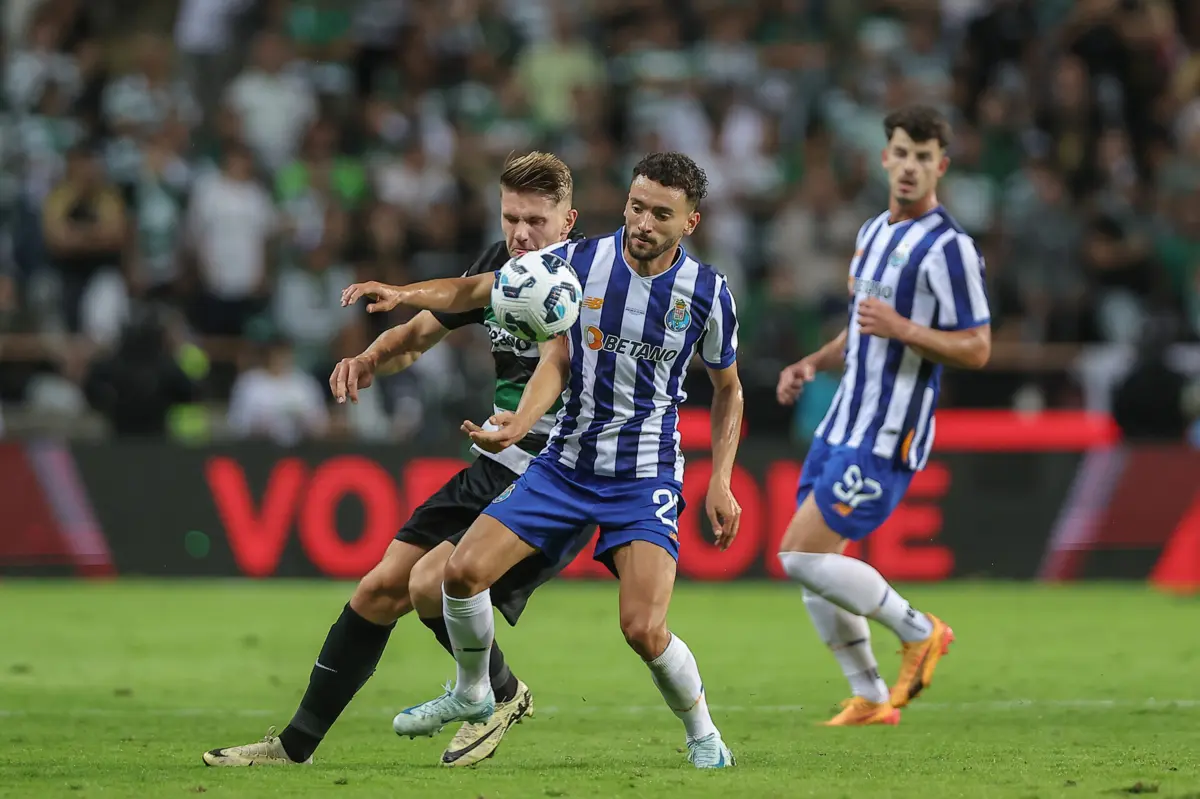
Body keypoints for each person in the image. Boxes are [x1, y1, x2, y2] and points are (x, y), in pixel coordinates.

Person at [203, 152, 592, 768]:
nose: (520, 234)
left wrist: (523, 422)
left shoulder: (590, 279)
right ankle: (294, 748)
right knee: (380, 589)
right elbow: (417, 336)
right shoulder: (499, 266)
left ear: (567, 220)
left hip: (557, 471)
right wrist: (369, 359)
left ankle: (498, 694)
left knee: (430, 583)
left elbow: (559, 363)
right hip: (498, 461)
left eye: (535, 221)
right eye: (510, 218)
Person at [367, 152, 744, 769]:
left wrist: (721, 480)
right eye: (636, 206)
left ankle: (704, 736)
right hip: (565, 463)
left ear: (690, 222)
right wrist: (406, 294)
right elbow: (483, 296)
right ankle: (473, 691)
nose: (643, 222)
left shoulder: (707, 293)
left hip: (643, 475)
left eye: (661, 214)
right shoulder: (579, 263)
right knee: (459, 574)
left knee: (643, 630)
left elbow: (729, 389)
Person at [774, 105, 992, 726]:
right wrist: (813, 363)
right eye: (902, 153)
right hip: (842, 421)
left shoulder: (950, 249)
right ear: (884, 158)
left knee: (799, 557)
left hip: (888, 432)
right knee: (817, 569)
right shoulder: (872, 232)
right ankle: (871, 696)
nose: (910, 166)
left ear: (940, 167)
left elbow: (978, 347)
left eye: (924, 157)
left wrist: (905, 328)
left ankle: (920, 631)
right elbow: (862, 328)